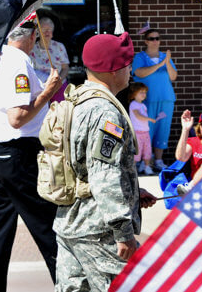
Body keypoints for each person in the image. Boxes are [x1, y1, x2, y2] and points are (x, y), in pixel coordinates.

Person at [54, 32, 157, 292]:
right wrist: (123, 232)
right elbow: (103, 174)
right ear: (113, 70)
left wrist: (132, 192)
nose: (130, 70)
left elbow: (86, 167)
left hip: (71, 222)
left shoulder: (77, 100)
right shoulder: (105, 112)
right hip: (99, 231)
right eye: (127, 65)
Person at [0, 21, 62, 291]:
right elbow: (18, 117)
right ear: (33, 35)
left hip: (1, 151)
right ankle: (71, 283)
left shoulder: (0, 57)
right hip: (18, 153)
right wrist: (48, 90)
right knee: (47, 225)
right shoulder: (17, 63)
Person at [132, 29, 177, 170]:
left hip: (166, 98)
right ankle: (145, 161)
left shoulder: (165, 57)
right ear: (146, 41)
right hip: (147, 100)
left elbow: (173, 76)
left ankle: (158, 160)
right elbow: (139, 72)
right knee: (146, 130)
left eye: (157, 38)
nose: (155, 41)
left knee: (163, 129)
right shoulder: (140, 57)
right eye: (151, 38)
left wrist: (167, 62)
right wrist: (159, 65)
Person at [30, 16, 70, 103]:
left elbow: (65, 68)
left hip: (58, 85)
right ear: (38, 31)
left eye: (49, 29)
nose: (47, 32)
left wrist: (57, 82)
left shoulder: (59, 46)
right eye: (44, 29)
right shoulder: (32, 48)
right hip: (40, 87)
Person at [175, 110, 202, 177]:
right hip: (197, 183)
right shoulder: (193, 142)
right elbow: (181, 157)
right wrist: (185, 129)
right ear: (199, 127)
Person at [128, 82, 156, 175]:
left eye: (145, 92)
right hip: (137, 132)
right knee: (137, 150)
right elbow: (138, 116)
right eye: (141, 92)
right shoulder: (133, 104)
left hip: (145, 132)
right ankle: (133, 168)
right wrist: (149, 119)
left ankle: (147, 167)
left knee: (147, 150)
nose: (144, 94)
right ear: (134, 94)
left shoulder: (143, 105)